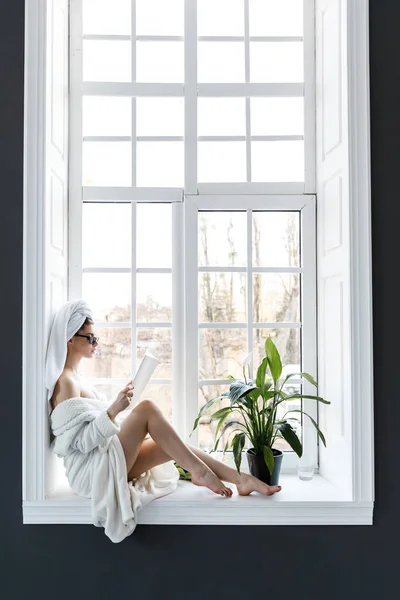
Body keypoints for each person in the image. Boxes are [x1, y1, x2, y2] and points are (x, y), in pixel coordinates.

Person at [46, 300, 281, 541]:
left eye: (96, 339)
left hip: (102, 461)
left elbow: (93, 427)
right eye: (91, 338)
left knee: (168, 445)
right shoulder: (66, 382)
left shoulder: (79, 378)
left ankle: (241, 480)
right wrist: (114, 410)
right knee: (147, 408)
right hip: (89, 473)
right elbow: (78, 443)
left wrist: (120, 410)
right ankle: (200, 471)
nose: (97, 344)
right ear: (70, 339)